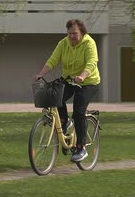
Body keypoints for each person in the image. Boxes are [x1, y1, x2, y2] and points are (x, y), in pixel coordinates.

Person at [35, 19, 100, 163]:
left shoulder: (89, 43)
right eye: (69, 33)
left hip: (88, 82)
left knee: (78, 110)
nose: (72, 36)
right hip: (70, 79)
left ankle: (81, 147)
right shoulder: (63, 43)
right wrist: (41, 74)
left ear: (82, 33)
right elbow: (53, 60)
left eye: (75, 33)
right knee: (55, 96)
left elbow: (92, 62)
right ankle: (64, 122)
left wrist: (83, 76)